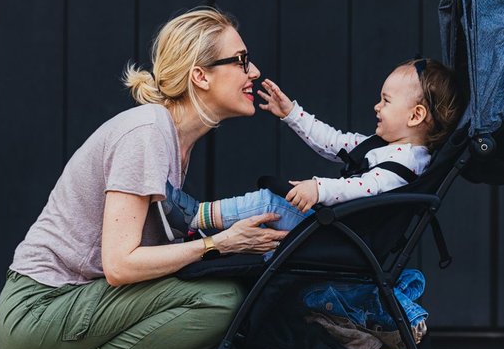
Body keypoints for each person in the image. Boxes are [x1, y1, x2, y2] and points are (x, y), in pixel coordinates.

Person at [0, 8, 287, 349]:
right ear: (200, 76)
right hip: (36, 312)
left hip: (66, 305)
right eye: (241, 60)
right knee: (218, 300)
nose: (254, 71)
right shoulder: (148, 133)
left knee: (217, 290)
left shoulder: (173, 141)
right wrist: (217, 245)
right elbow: (121, 264)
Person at [163, 58, 464, 234]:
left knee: (271, 203)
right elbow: (333, 142)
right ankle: (202, 234)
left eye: (385, 101)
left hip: (342, 235)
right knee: (269, 218)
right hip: (335, 228)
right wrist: (292, 113)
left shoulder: (406, 165)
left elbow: (364, 187)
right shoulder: (384, 146)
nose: (376, 106)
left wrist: (319, 188)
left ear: (416, 115)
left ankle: (194, 216)